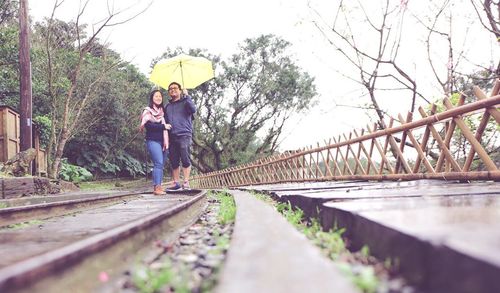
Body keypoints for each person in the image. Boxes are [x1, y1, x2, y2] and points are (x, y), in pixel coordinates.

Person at [164, 82, 196, 190]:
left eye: (175, 88)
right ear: (169, 92)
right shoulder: (167, 106)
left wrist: (187, 96)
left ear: (180, 90)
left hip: (184, 134)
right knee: (174, 160)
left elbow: (193, 110)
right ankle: (176, 183)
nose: (173, 90)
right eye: (170, 89)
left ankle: (186, 182)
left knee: (185, 157)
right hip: (172, 136)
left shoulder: (186, 102)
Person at [140, 89, 171, 195]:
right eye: (156, 96)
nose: (158, 98)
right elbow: (148, 126)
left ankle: (159, 186)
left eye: (160, 96)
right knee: (158, 163)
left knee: (161, 165)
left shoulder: (164, 111)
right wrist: (163, 126)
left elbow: (169, 123)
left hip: (164, 141)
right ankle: (157, 188)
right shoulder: (147, 111)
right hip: (153, 140)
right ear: (152, 98)